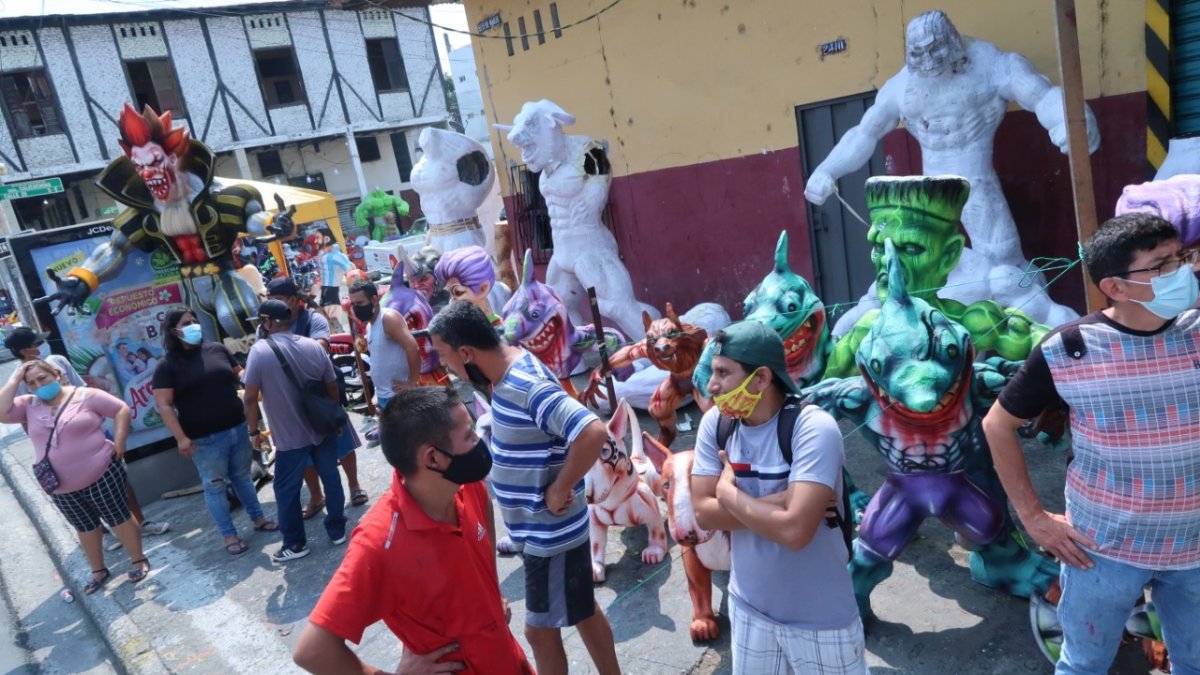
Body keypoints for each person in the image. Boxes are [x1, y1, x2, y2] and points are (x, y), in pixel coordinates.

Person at [982, 212, 1200, 675]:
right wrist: (1035, 519)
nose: (1183, 272)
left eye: (1181, 258)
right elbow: (997, 426)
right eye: (1161, 266)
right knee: (1084, 666)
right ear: (1115, 287)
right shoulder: (1069, 348)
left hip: (1195, 551)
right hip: (1103, 551)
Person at [429, 301, 620, 675]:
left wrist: (560, 486)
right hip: (545, 530)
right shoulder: (507, 371)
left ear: (466, 352)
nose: (445, 366)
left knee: (538, 632)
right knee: (582, 609)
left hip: (549, 535)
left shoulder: (523, 384)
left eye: (444, 355)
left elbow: (592, 431)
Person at [293, 387, 533, 674]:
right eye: (469, 435)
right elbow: (312, 650)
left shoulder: (465, 485)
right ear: (433, 458)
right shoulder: (379, 542)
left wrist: (492, 591)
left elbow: (485, 516)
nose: (479, 442)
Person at [691, 320, 867, 675]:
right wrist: (782, 500)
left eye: (724, 373)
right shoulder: (717, 425)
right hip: (748, 609)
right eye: (713, 372)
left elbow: (795, 533)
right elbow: (704, 514)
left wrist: (726, 493)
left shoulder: (813, 428)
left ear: (761, 379)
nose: (712, 385)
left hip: (822, 620)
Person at [4, 327, 170, 545]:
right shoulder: (18, 383)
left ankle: (142, 523)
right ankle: (110, 533)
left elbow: (84, 390)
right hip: (57, 449)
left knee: (118, 480)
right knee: (80, 494)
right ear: (26, 351)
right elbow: (22, 419)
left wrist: (105, 431)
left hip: (89, 432)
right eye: (37, 344)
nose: (42, 346)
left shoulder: (57, 361)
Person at [0, 360, 150, 594]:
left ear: (57, 375)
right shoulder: (28, 405)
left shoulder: (86, 395)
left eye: (43, 378)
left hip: (101, 471)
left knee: (117, 516)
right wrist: (16, 377)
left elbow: (121, 409)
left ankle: (138, 559)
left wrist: (120, 442)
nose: (39, 385)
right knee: (84, 526)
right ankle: (98, 570)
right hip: (59, 485)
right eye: (32, 383)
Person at [152, 309, 277, 555]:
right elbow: (164, 405)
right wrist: (181, 438)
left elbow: (239, 373)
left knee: (243, 477)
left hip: (237, 427)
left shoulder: (217, 349)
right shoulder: (166, 367)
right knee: (215, 486)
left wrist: (253, 376)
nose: (194, 326)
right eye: (187, 323)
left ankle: (259, 519)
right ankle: (229, 536)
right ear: (174, 331)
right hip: (203, 440)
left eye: (195, 321)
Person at [243, 299, 347, 563]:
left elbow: (250, 396)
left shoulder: (259, 351)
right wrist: (334, 417)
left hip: (289, 438)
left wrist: (254, 431)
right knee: (331, 476)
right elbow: (332, 385)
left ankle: (295, 544)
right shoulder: (313, 345)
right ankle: (337, 530)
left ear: (267, 323)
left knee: (285, 490)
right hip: (321, 427)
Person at [266, 276, 368, 515]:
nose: (274, 305)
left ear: (293, 299)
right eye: (270, 300)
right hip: (290, 397)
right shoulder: (267, 325)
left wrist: (283, 350)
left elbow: (320, 348)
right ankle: (316, 496)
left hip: (322, 393)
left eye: (278, 299)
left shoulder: (314, 319)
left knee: (341, 441)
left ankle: (354, 486)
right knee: (303, 452)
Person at [346, 279, 421, 412]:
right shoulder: (370, 325)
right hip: (384, 396)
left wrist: (412, 382)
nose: (356, 308)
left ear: (374, 299)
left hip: (398, 396)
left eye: (360, 303)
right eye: (353, 304)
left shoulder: (388, 318)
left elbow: (412, 347)